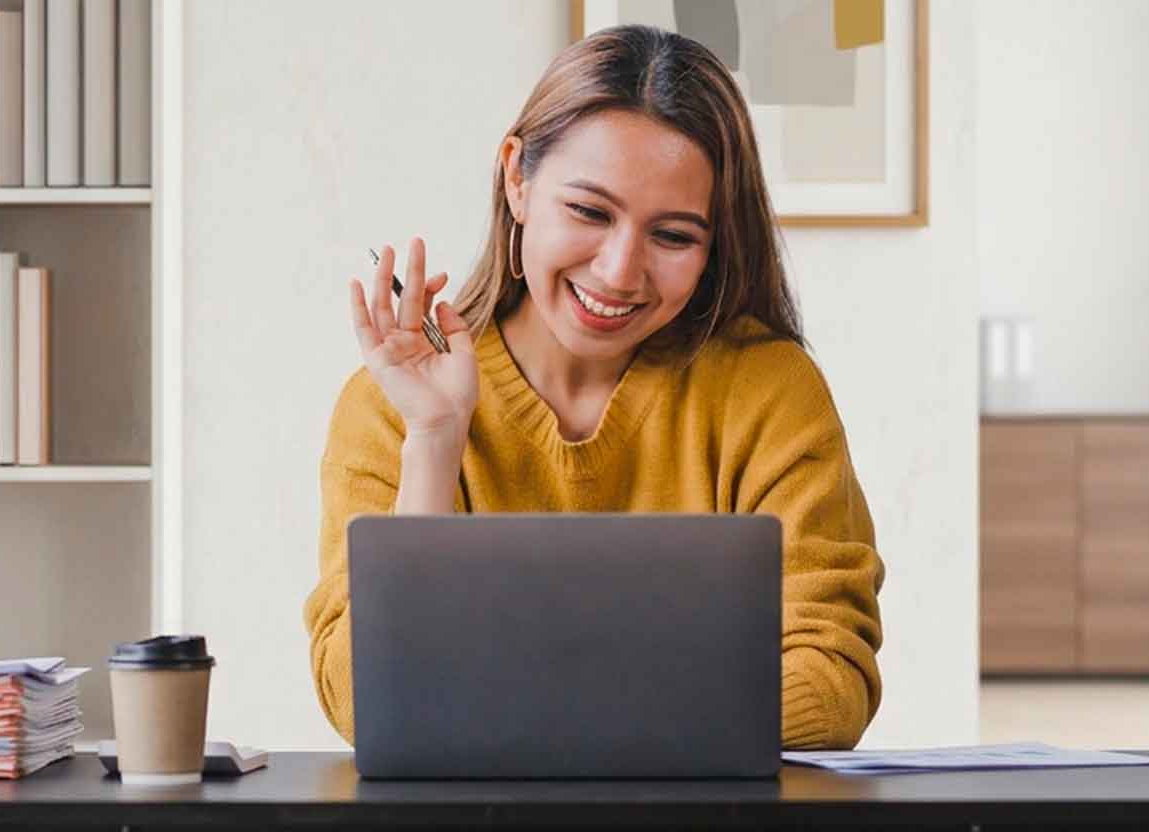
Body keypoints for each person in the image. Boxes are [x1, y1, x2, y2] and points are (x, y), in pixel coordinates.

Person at [305, 24, 883, 751]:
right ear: (517, 178)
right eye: (588, 212)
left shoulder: (767, 391)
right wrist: (433, 442)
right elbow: (365, 697)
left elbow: (828, 686)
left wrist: (521, 715)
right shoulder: (391, 405)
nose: (617, 272)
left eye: (672, 236)